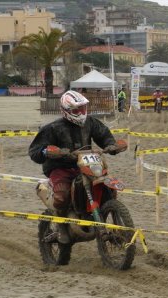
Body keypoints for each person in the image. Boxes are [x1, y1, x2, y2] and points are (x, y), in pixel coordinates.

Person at [28, 90, 126, 243]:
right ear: (66, 111)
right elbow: (34, 151)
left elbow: (104, 135)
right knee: (61, 195)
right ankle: (61, 227)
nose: (80, 113)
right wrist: (49, 151)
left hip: (88, 163)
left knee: (108, 189)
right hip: (61, 167)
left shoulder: (90, 123)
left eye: (82, 109)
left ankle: (106, 215)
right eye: (76, 110)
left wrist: (112, 145)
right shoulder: (53, 127)